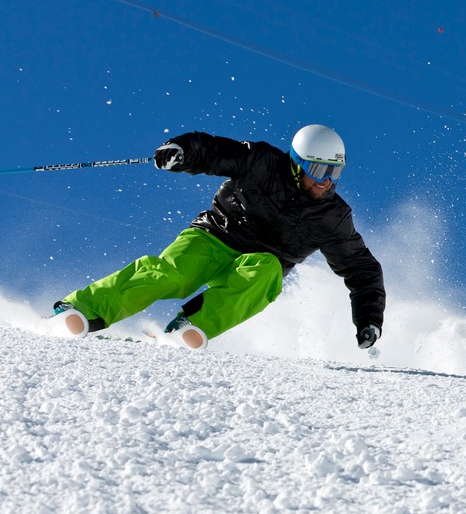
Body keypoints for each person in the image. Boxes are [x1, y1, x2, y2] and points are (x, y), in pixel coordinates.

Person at [52, 124, 385, 351]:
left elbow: (361, 270)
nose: (326, 181)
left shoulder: (333, 217)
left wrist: (369, 320)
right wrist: (182, 150)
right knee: (173, 273)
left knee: (265, 275)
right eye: (319, 171)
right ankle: (85, 307)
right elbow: (214, 151)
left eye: (334, 172)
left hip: (260, 261)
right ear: (297, 164)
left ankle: (191, 326)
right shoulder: (263, 162)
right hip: (215, 235)